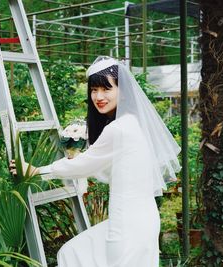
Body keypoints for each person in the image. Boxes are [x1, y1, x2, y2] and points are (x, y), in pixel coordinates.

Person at [12, 56, 181, 267]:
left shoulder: (119, 128)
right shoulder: (134, 123)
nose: (98, 96)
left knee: (72, 254)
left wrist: (37, 170)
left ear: (123, 90)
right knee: (72, 253)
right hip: (143, 218)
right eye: (93, 90)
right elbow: (105, 169)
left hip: (126, 223)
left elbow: (86, 165)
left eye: (106, 89)